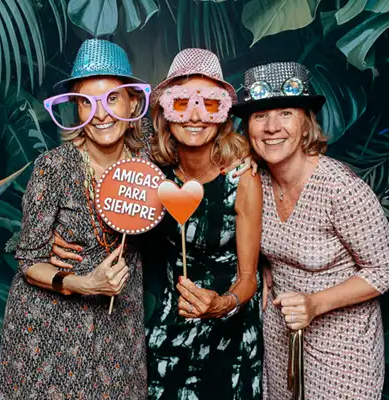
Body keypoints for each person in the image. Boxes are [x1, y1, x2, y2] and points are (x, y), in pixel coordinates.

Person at [231, 61, 389, 400]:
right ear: (248, 127)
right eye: (260, 115)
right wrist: (264, 268)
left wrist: (315, 303)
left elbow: (386, 269)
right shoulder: (255, 182)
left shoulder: (340, 187)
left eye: (286, 113)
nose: (272, 127)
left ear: (306, 121)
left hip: (343, 349)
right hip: (282, 342)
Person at [0, 39, 153, 399]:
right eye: (87, 102)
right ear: (75, 110)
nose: (101, 114)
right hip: (51, 328)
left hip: (117, 323)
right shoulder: (53, 168)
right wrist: (83, 283)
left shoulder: (148, 166)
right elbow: (29, 261)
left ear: (131, 101)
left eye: (112, 98)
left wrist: (244, 159)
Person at [143, 48, 263, 399]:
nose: (195, 116)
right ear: (166, 111)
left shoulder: (243, 179)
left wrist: (221, 304)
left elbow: (248, 278)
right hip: (171, 327)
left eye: (208, 104)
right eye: (182, 103)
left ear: (223, 114)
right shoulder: (152, 174)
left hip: (231, 333)